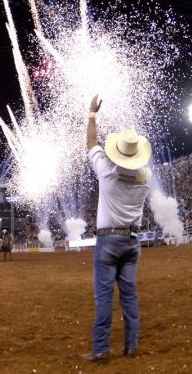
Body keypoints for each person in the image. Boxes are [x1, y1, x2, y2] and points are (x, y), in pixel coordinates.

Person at [82, 95, 152, 364]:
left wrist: (92, 114)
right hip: (132, 242)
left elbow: (91, 144)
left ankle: (101, 350)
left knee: (103, 298)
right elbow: (139, 172)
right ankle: (131, 346)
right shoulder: (145, 178)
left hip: (108, 241)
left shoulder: (107, 172)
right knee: (130, 296)